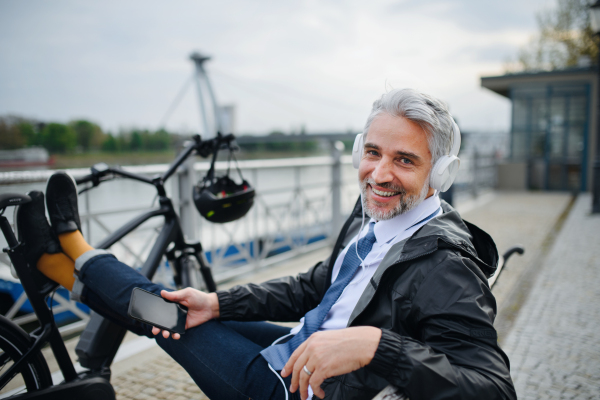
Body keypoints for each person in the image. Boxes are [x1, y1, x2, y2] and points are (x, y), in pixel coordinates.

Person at [16, 88, 516, 400]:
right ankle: (70, 270)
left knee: (164, 315)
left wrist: (375, 347)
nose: (379, 174)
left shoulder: (446, 265)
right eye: (372, 152)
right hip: (300, 348)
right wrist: (219, 302)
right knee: (191, 309)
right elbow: (313, 286)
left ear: (442, 174)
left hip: (294, 389)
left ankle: (70, 256)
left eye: (404, 160)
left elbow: (492, 389)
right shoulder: (378, 217)